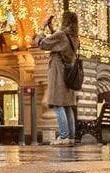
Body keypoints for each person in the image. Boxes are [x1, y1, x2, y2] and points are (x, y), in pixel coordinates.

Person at [34, 10, 81, 146]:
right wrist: (52, 28)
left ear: (65, 21)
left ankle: (64, 136)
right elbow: (59, 42)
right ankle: (71, 136)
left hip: (58, 73)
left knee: (57, 103)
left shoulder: (62, 35)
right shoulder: (74, 37)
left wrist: (42, 28)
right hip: (69, 74)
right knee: (67, 106)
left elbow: (43, 44)